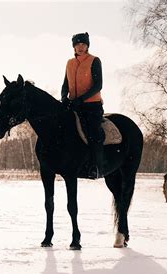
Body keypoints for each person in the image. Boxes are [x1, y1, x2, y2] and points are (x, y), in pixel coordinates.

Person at [61, 32, 105, 179]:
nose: (80, 47)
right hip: (73, 106)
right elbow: (65, 84)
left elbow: (98, 85)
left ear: (87, 46)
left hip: (92, 106)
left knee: (93, 133)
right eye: (78, 44)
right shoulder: (69, 63)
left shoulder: (94, 60)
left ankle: (95, 166)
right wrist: (63, 97)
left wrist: (81, 99)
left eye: (83, 44)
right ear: (74, 46)